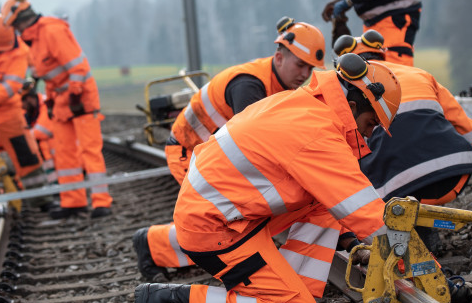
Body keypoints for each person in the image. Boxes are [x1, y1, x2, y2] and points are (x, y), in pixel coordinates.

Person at [134, 53, 402, 303]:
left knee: (325, 204)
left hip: (229, 215)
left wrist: (351, 241)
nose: (369, 135)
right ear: (353, 107)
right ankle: (172, 301)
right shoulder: (317, 133)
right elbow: (365, 210)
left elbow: (335, 201)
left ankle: (294, 288)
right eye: (370, 124)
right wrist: (417, 264)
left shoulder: (304, 106)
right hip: (215, 230)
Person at [133, 17, 327, 280]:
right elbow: (255, 146)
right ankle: (152, 244)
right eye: (300, 64)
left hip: (211, 156)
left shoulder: (277, 85)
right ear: (279, 56)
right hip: (189, 151)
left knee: (229, 221)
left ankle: (156, 246)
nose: (304, 75)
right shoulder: (249, 85)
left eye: (310, 68)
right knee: (218, 224)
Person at [333, 30, 472, 252]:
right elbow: (469, 132)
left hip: (390, 192)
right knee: (412, 192)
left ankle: (406, 236)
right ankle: (420, 227)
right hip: (452, 176)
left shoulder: (349, 94)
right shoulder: (420, 74)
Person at [2, 0, 113, 219]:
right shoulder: (33, 41)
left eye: (15, 27)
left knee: (89, 151)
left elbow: (78, 68)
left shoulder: (52, 31)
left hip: (80, 98)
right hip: (62, 101)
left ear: (21, 21)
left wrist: (74, 97)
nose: (16, 32)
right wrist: (52, 99)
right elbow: (51, 76)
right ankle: (73, 202)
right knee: (64, 153)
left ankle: (102, 203)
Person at [0, 12, 54, 209]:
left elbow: (11, 86)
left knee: (25, 153)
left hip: (6, 109)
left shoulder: (20, 51)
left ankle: (42, 200)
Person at [21, 80, 58, 186]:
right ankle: (52, 185)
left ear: (28, 99)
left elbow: (41, 132)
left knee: (42, 144)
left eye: (22, 103)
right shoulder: (30, 110)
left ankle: (55, 185)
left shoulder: (46, 106)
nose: (22, 107)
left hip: (59, 152)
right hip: (53, 156)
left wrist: (21, 137)